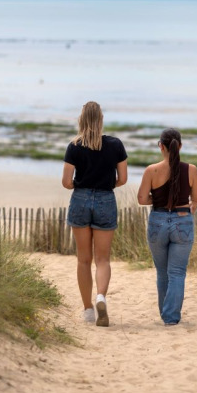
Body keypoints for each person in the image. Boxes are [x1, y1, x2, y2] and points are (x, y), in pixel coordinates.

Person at [62, 101, 127, 326]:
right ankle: (101, 296)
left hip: (80, 198)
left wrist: (80, 185)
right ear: (101, 119)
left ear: (81, 119)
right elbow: (123, 179)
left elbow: (66, 182)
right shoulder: (115, 144)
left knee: (83, 260)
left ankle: (88, 309)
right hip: (105, 198)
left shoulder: (74, 146)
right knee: (102, 259)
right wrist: (107, 184)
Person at [137, 128, 197, 325]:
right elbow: (196, 199)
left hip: (158, 220)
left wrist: (158, 200)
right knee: (177, 272)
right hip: (183, 220)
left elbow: (141, 199)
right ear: (180, 146)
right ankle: (171, 317)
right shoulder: (191, 170)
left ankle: (166, 314)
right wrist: (186, 206)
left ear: (161, 146)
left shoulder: (151, 170)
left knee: (162, 271)